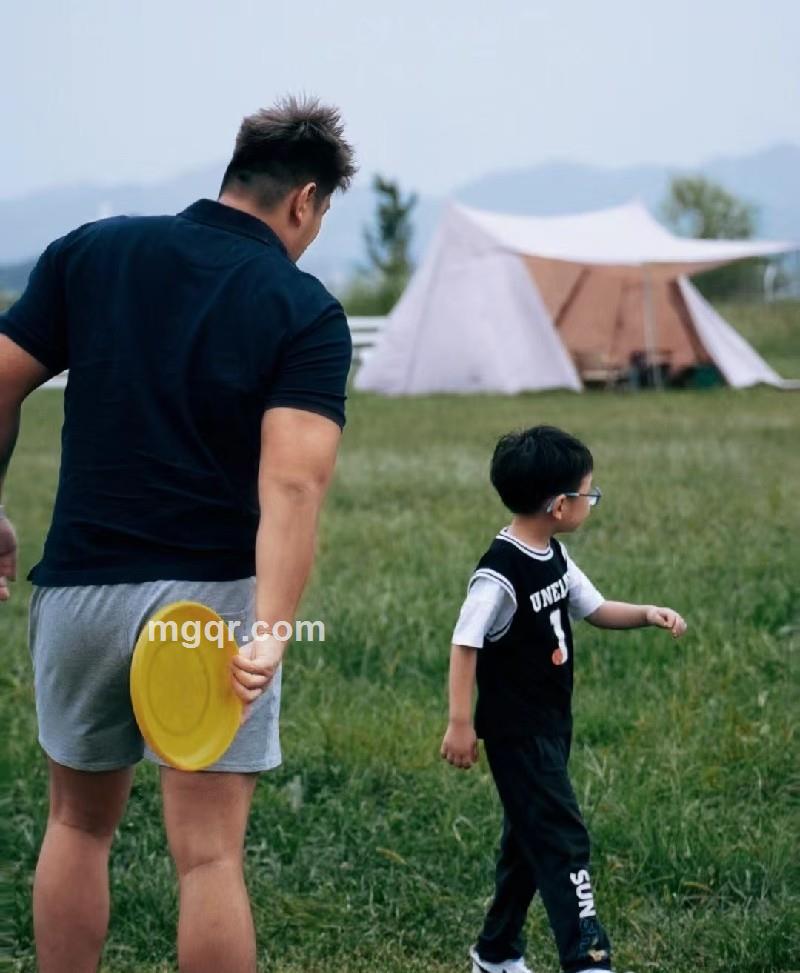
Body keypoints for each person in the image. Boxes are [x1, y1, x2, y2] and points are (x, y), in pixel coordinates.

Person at [0, 95, 356, 973]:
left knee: (77, 825)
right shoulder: (302, 307)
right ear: (304, 200)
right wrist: (271, 628)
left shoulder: (92, 252)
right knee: (207, 856)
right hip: (209, 603)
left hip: (78, 589)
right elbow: (294, 482)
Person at [440, 425, 687, 973]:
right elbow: (464, 643)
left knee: (526, 842)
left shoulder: (552, 554)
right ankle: (588, 956)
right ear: (559, 505)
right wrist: (460, 723)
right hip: (516, 732)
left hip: (552, 724)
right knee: (561, 837)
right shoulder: (499, 574)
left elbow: (593, 608)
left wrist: (647, 613)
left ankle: (496, 953)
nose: (590, 502)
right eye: (588, 494)